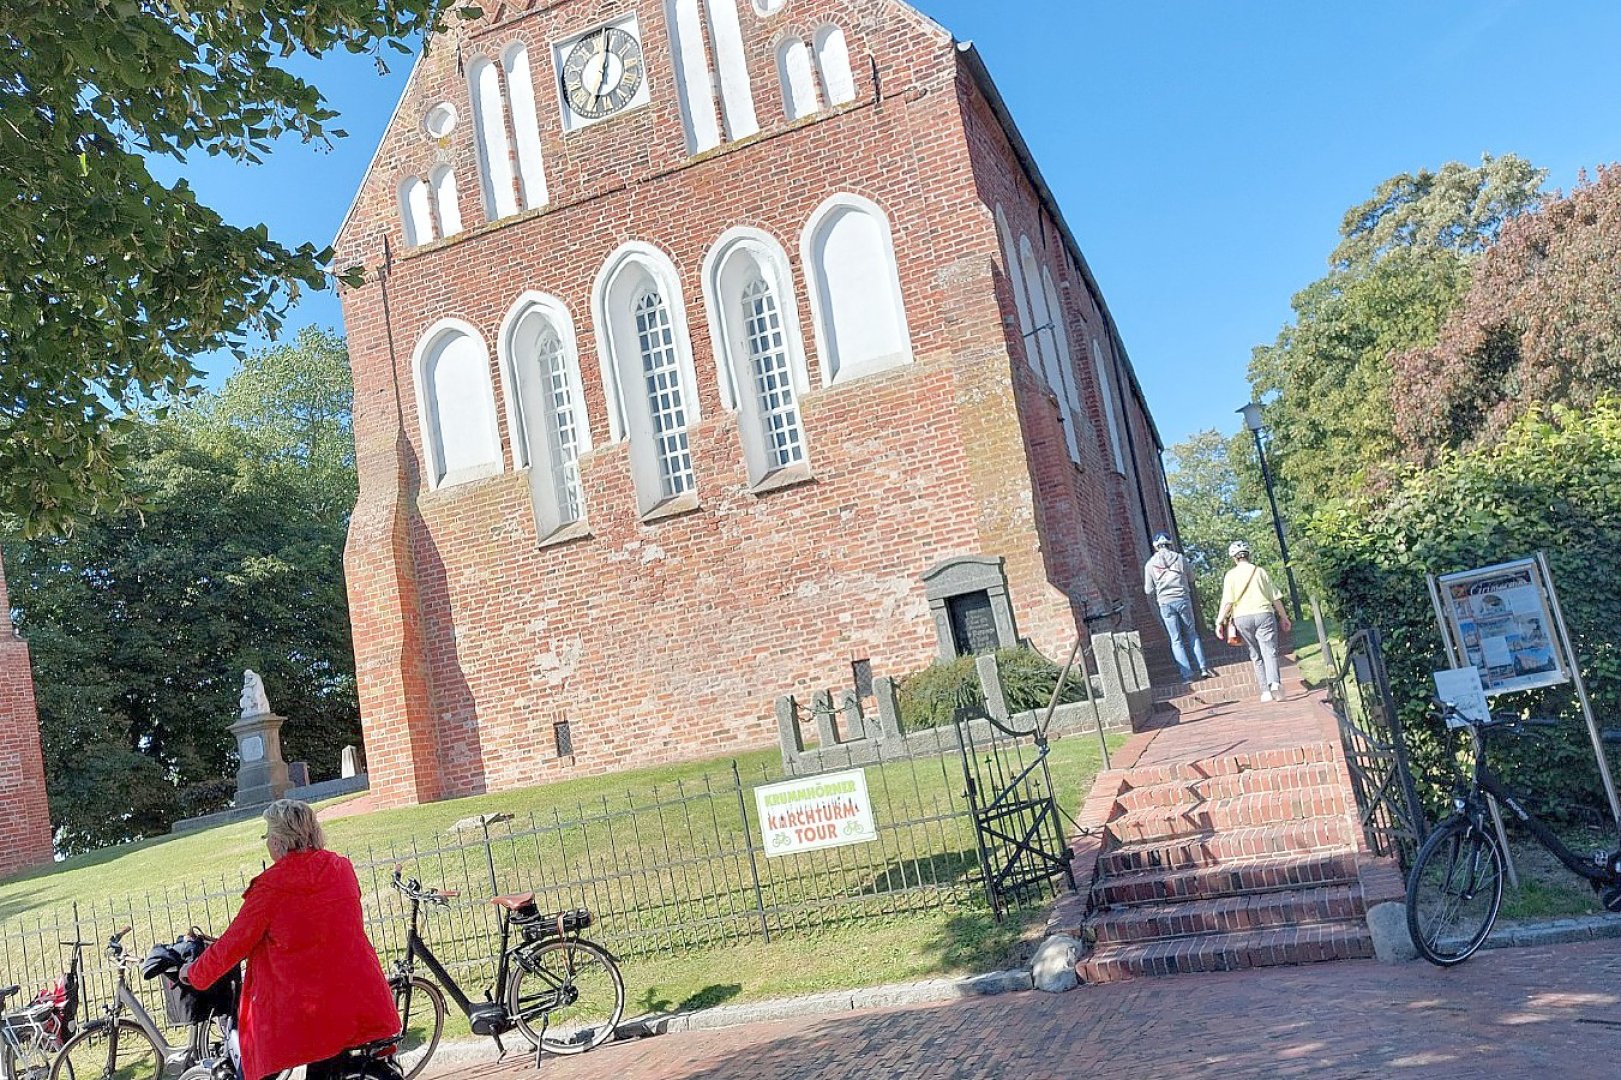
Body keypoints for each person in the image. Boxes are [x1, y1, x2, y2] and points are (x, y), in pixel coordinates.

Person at [180, 800, 400, 1080]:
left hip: (304, 1010)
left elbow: (232, 945)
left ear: (278, 840)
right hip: (356, 996)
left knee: (261, 1067)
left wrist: (194, 973)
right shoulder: (341, 869)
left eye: (268, 836)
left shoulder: (271, 888)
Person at [1215, 540, 1292, 702]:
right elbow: (1275, 597)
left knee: (1255, 653)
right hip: (1264, 613)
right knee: (1269, 650)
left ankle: (1265, 691)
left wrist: (1219, 621)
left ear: (1234, 558)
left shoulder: (1230, 576)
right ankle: (1275, 683)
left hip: (1242, 617)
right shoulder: (1259, 571)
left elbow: (1228, 601)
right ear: (1248, 555)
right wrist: (1284, 617)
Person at [1142, 532, 1216, 683]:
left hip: (1165, 603)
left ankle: (1187, 675)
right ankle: (1203, 668)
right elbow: (1192, 578)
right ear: (1170, 544)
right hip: (1182, 599)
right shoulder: (1180, 559)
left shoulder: (1150, 564)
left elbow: (1148, 590)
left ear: (1155, 547)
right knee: (1192, 634)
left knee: (1176, 639)